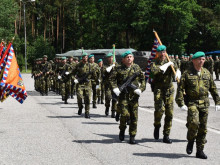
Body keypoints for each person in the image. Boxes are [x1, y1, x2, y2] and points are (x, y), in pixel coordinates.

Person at [175, 51, 220, 159]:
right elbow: (180, 90)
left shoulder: (207, 73)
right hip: (192, 102)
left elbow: (213, 89)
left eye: (203, 59)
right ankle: (191, 140)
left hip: (204, 103)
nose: (201, 61)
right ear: (194, 60)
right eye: (199, 59)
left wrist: (217, 102)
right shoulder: (187, 73)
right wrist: (181, 103)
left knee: (203, 128)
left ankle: (200, 150)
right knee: (194, 123)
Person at [111, 50, 146, 144]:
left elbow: (143, 80)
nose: (129, 58)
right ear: (123, 59)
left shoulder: (136, 68)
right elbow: (112, 80)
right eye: (127, 57)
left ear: (133, 58)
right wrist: (115, 88)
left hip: (134, 97)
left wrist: (141, 89)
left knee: (134, 117)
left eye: (131, 57)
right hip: (123, 96)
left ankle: (132, 136)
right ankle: (122, 129)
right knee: (125, 115)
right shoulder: (118, 69)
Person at [150, 45, 180, 144]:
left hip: (169, 89)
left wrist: (175, 69)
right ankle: (157, 125)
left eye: (164, 52)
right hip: (158, 89)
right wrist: (165, 66)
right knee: (159, 110)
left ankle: (166, 135)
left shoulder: (170, 61)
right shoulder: (154, 62)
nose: (163, 54)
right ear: (157, 53)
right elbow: (154, 71)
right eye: (161, 52)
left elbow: (177, 70)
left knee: (169, 113)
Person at [73, 53, 97, 118]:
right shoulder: (78, 65)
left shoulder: (90, 66)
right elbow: (72, 73)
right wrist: (75, 79)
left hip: (88, 84)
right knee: (79, 97)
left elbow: (94, 75)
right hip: (80, 84)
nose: (85, 58)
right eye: (84, 57)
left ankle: (87, 112)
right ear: (82, 58)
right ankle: (80, 107)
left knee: (87, 98)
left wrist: (96, 81)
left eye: (86, 57)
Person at [103, 53, 118, 117]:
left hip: (115, 85)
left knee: (114, 99)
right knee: (108, 97)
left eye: (112, 57)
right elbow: (106, 71)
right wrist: (111, 66)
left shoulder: (116, 65)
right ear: (107, 58)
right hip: (108, 85)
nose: (111, 58)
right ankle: (107, 107)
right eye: (109, 57)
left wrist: (115, 65)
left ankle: (113, 111)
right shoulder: (105, 66)